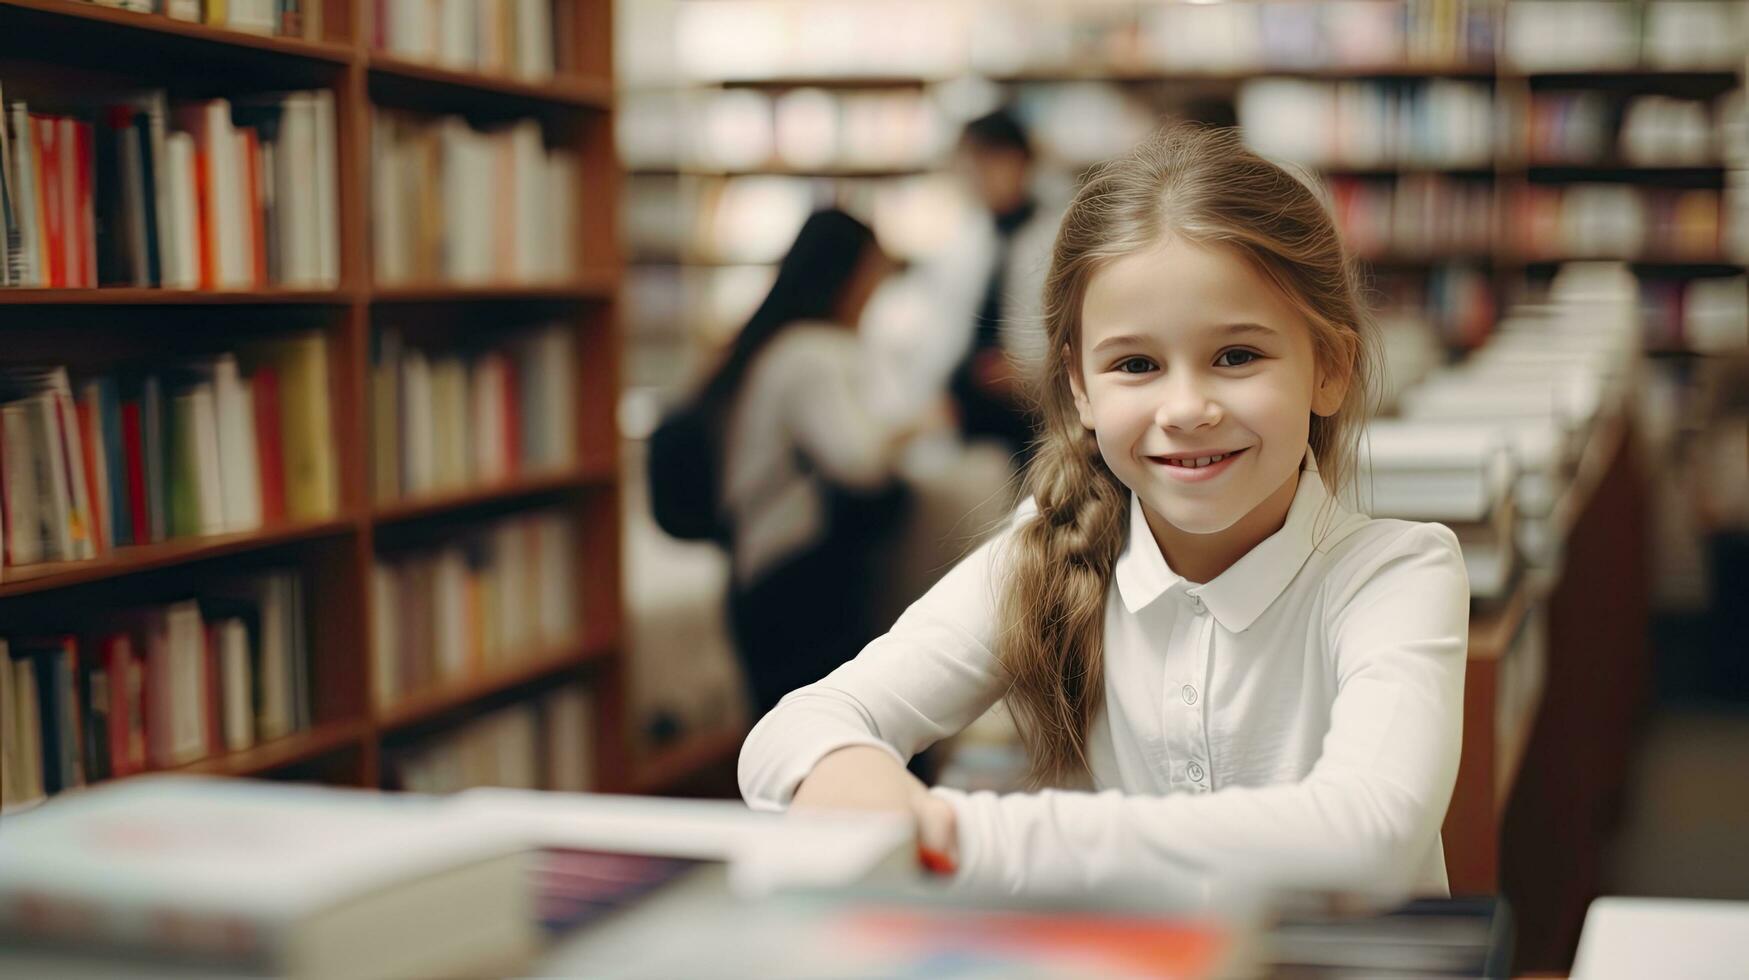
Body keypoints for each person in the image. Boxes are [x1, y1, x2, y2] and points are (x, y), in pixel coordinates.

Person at [737, 126, 1471, 900]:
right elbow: (788, 737)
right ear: (1080, 389)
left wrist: (965, 833)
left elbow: (1369, 837)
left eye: (1236, 356)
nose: (1185, 408)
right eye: (1135, 365)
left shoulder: (1395, 573)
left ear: (1328, 368)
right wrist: (861, 784)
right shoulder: (1047, 549)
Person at [713, 209, 939, 721]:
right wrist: (918, 423)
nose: (874, 296)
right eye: (872, 278)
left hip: (776, 575)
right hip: (792, 580)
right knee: (819, 737)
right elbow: (858, 462)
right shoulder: (809, 354)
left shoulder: (783, 347)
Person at [936, 108, 1059, 467]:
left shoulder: (1058, 235)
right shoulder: (964, 237)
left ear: (1022, 161)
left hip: (1034, 411)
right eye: (970, 166)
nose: (978, 177)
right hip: (968, 408)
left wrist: (1024, 371)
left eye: (989, 162)